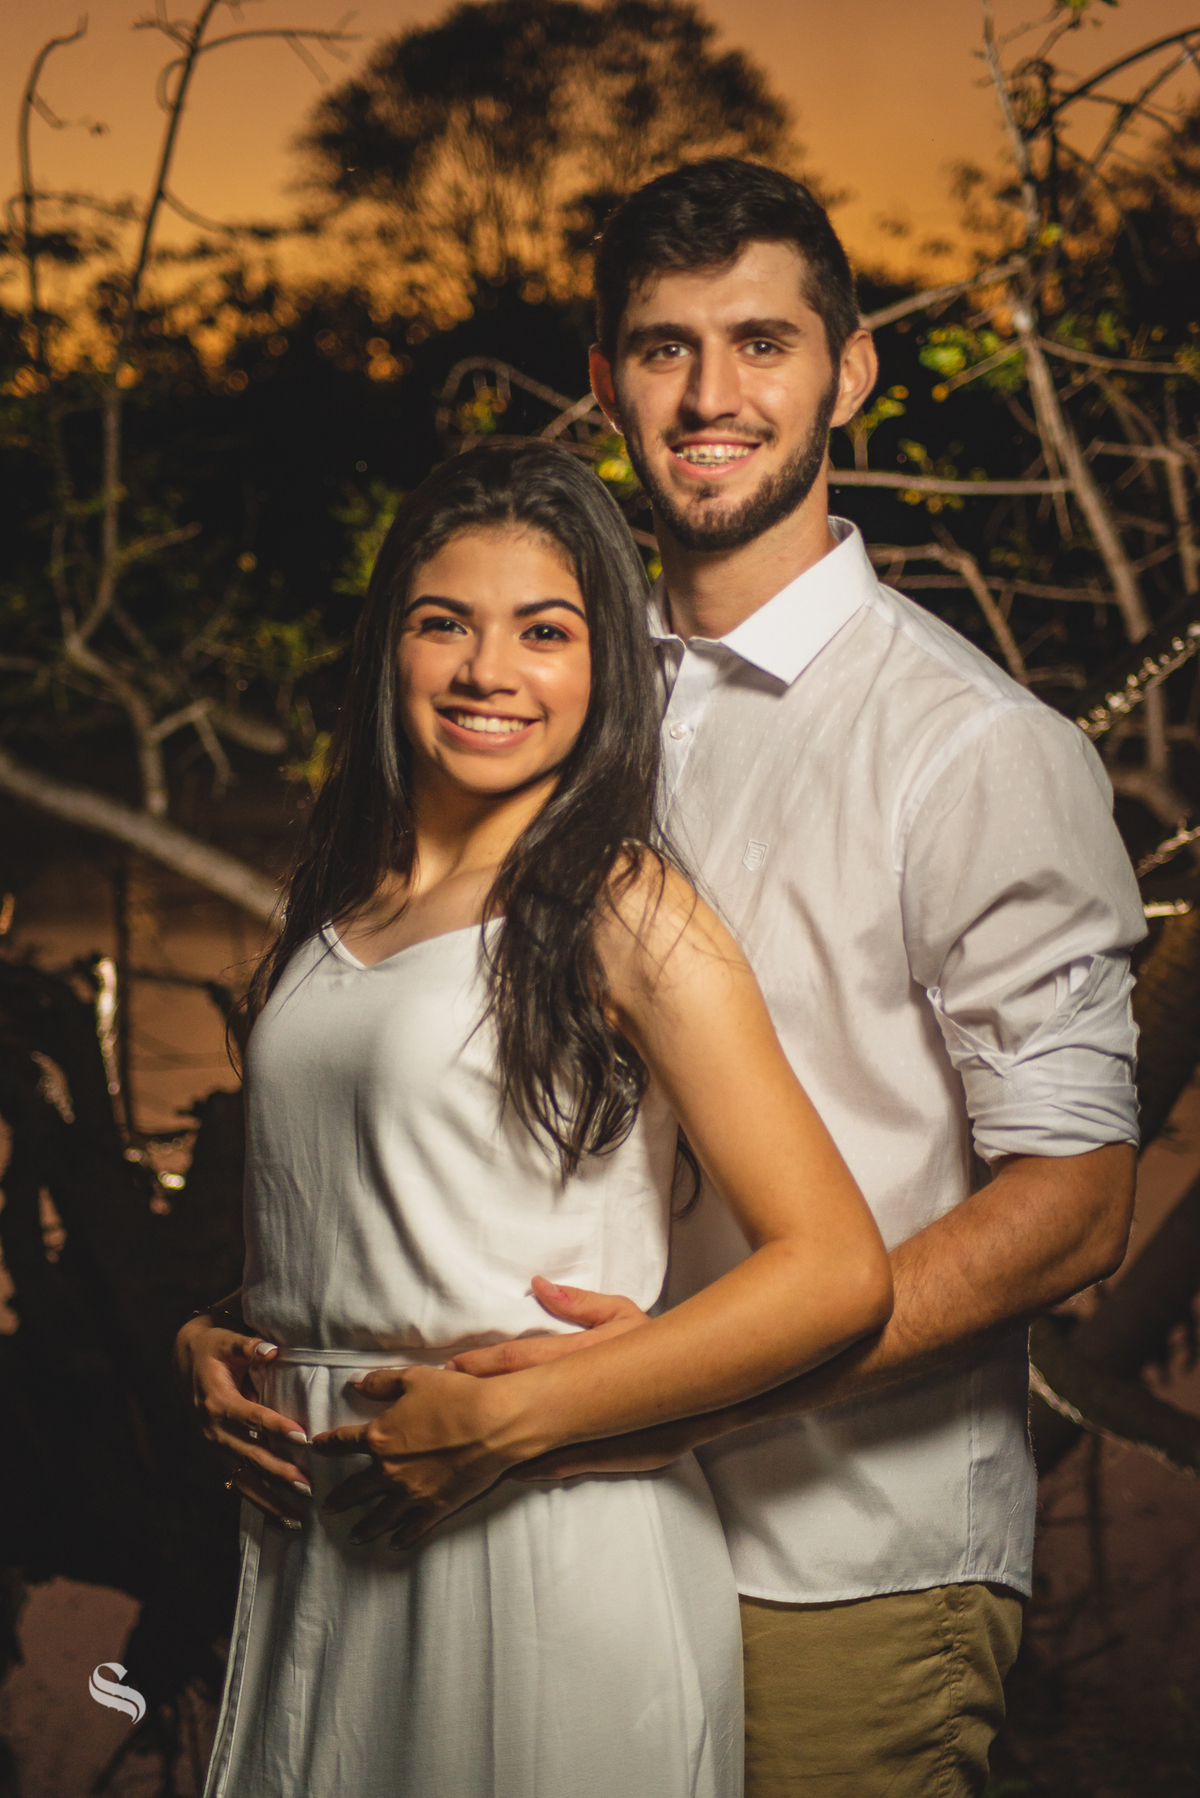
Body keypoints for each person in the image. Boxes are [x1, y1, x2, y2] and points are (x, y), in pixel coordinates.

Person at [446, 160, 1146, 1796]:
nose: (712, 395)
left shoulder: (970, 748)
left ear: (851, 369)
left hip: (842, 1555)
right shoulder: (559, 705)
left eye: (763, 342)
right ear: (605, 381)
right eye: (666, 346)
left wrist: (668, 1392)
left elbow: (1076, 1198)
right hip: (556, 1526)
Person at [176, 439, 893, 1798]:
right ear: (390, 645)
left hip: (540, 1537)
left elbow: (835, 1268)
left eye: (543, 632)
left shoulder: (627, 907)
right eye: (443, 622)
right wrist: (220, 1335)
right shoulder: (341, 904)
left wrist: (528, 1415)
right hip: (328, 1542)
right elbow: (387, 1203)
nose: (486, 671)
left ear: (604, 663)